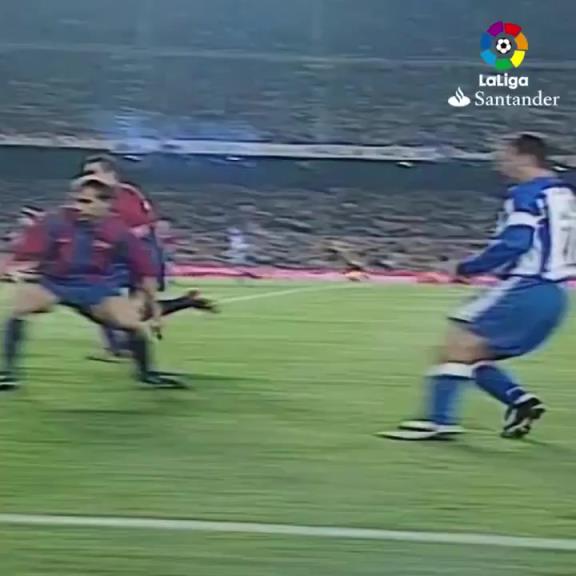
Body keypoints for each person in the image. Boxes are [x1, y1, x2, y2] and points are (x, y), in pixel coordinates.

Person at [381, 134, 576, 441]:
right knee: (473, 354)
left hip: (525, 286)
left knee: (455, 347)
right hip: (556, 294)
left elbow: (515, 242)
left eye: (504, 156)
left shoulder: (527, 193)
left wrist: (466, 268)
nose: (499, 163)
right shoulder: (564, 194)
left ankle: (439, 421)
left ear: (525, 157)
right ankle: (519, 401)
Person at [0, 178, 184, 390]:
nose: (78, 206)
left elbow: (146, 273)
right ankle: (8, 374)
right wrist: (14, 269)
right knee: (19, 310)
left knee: (133, 325)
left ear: (106, 204)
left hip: (95, 288)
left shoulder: (119, 233)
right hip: (55, 282)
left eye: (86, 202)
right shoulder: (54, 222)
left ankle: (147, 375)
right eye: (77, 200)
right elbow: (25, 252)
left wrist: (156, 315)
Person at [79, 156, 215, 359]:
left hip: (140, 257)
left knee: (126, 307)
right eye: (86, 173)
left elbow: (141, 229)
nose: (87, 177)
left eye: (92, 172)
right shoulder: (99, 196)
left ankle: (121, 346)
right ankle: (117, 347)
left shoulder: (124, 194)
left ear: (110, 174)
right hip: (121, 257)